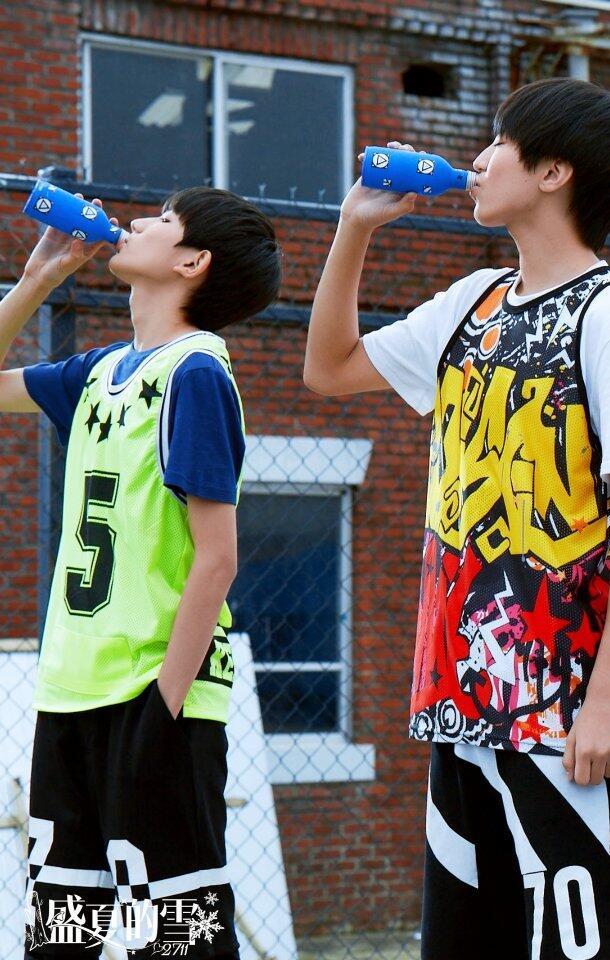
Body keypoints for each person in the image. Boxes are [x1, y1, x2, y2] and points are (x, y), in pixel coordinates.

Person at [304, 77, 610, 960]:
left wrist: (606, 700)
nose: (478, 159)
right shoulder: (471, 302)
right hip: (459, 706)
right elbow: (329, 368)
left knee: (595, 944)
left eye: (500, 142)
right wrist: (355, 227)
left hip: (563, 714)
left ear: (552, 171)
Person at [1, 186, 281, 958]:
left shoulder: (195, 374)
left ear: (192, 262)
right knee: (63, 933)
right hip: (72, 692)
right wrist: (37, 279)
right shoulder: (98, 373)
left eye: (162, 220)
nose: (134, 222)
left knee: (176, 938)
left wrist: (165, 704)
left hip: (155, 697)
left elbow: (217, 557)